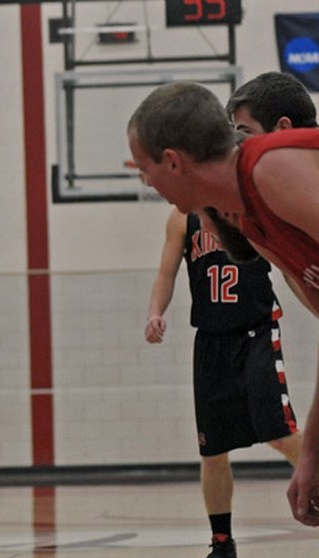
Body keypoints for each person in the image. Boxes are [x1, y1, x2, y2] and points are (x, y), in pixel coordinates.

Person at [127, 78, 319, 527]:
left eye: (143, 168)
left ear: (172, 162)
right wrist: (310, 454)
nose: (145, 182)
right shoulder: (248, 222)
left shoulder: (271, 169)